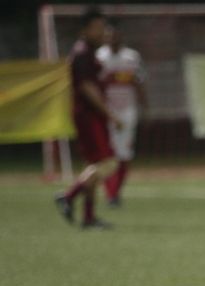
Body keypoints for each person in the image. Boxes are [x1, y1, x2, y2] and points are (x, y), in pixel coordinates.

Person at [55, 7, 122, 229]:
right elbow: (87, 88)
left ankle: (88, 217)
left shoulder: (89, 52)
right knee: (107, 163)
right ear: (85, 30)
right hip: (88, 116)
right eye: (98, 28)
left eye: (104, 28)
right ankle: (69, 196)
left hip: (91, 116)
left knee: (95, 166)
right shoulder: (82, 53)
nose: (103, 32)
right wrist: (110, 114)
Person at [97, 23, 147, 207]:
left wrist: (145, 107)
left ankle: (115, 193)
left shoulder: (131, 57)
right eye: (109, 36)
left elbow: (139, 83)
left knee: (124, 153)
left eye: (116, 36)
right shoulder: (99, 57)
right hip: (105, 112)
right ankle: (110, 192)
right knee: (106, 154)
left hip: (127, 111)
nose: (113, 39)